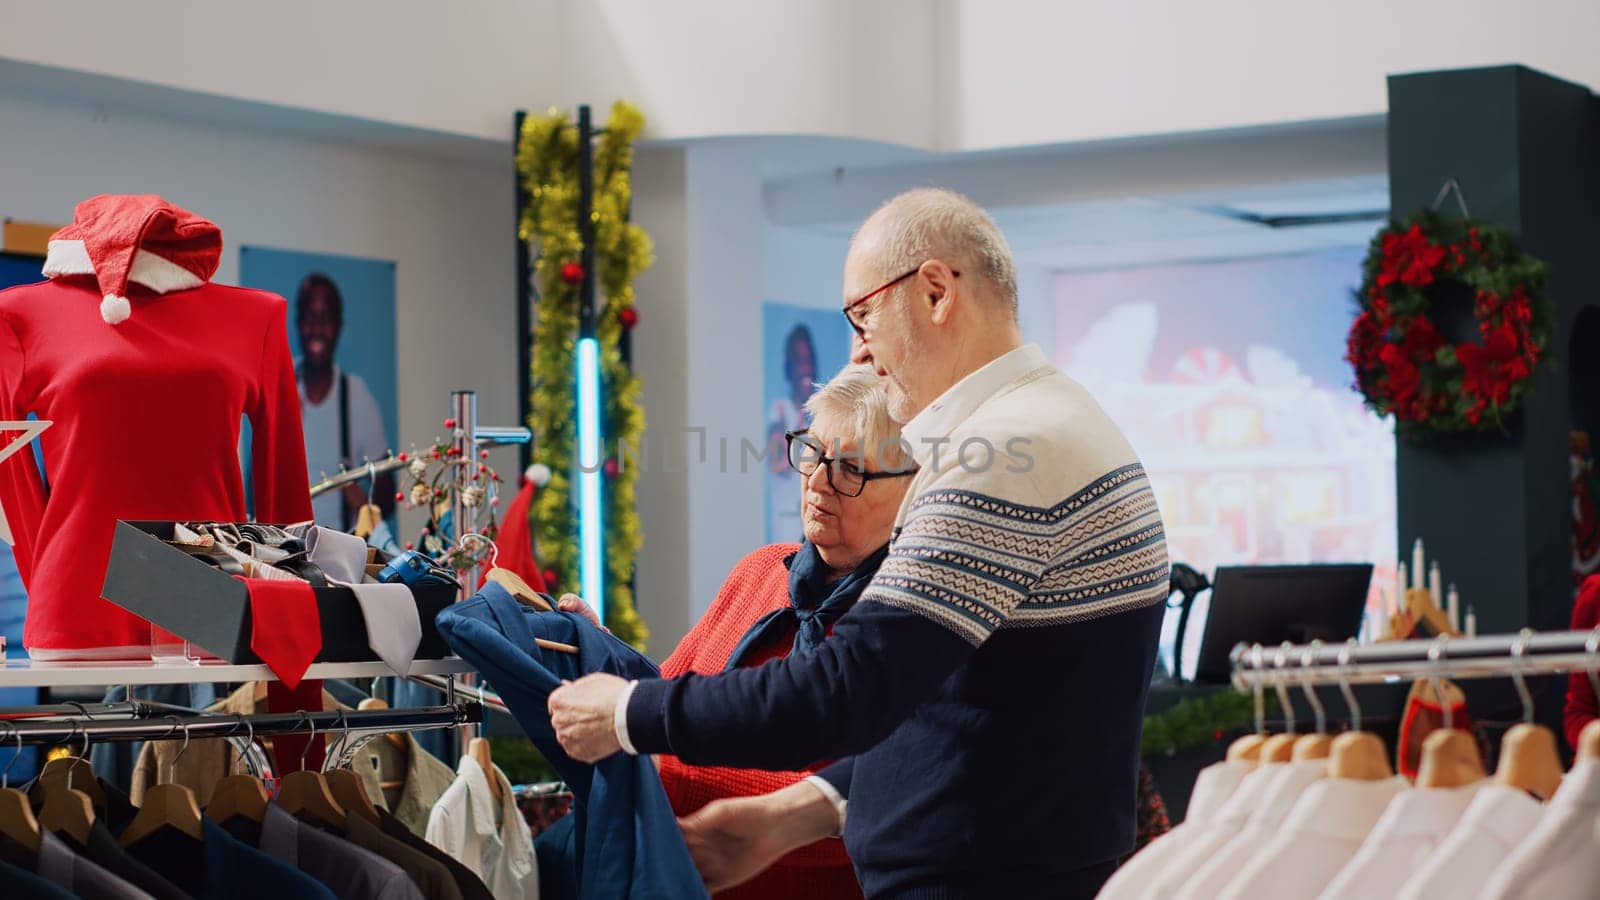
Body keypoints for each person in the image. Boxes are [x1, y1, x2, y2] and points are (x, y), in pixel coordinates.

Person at [547, 188, 1171, 898]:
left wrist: (626, 713)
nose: (859, 351)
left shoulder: (1000, 452)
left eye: (863, 315)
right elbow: (964, 713)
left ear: (936, 291)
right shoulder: (1048, 417)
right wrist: (794, 813)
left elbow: (847, 692)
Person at [561, 363, 914, 899]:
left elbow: (853, 810)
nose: (818, 481)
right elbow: (672, 687)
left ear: (911, 490)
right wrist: (598, 650)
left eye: (849, 469)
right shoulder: (761, 570)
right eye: (812, 453)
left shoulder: (905, 623)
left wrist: (661, 772)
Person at [293, 272, 394, 529]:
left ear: (339, 326)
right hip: (282, 551)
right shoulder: (281, 384)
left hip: (339, 555)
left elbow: (387, 496)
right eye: (310, 317)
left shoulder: (356, 395)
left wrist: (364, 501)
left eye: (326, 318)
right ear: (297, 322)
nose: (317, 328)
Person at [766, 324, 820, 541]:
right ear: (789, 367)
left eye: (809, 361)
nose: (805, 369)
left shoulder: (821, 413)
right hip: (787, 527)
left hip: (816, 524)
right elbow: (779, 464)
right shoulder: (778, 411)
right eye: (799, 362)